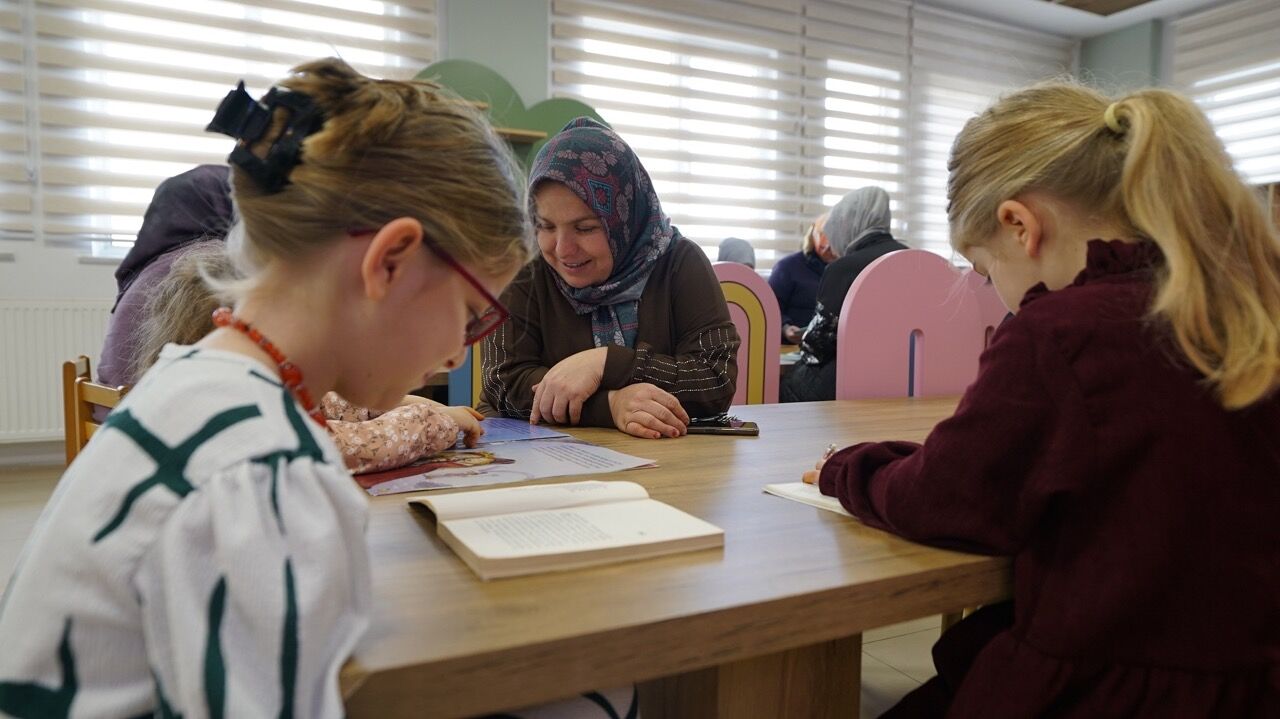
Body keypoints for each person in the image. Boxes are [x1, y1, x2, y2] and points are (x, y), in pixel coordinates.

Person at [0, 58, 537, 717]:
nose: (459, 350)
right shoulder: (262, 469)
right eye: (470, 313)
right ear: (391, 261)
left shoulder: (193, 379)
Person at [806, 82, 1280, 717]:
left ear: (1019, 225)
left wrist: (846, 467)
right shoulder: (1243, 308)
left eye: (984, 271)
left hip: (1111, 688)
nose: (992, 290)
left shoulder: (1057, 333)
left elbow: (942, 498)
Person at [130, 240, 485, 475]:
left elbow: (328, 403)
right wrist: (438, 420)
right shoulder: (247, 421)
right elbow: (364, 444)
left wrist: (403, 402)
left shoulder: (201, 377)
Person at [481, 117, 739, 440]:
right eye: (545, 226)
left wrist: (607, 363)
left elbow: (715, 380)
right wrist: (611, 405)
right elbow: (503, 384)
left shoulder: (679, 262)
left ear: (624, 218)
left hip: (660, 456)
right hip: (531, 453)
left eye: (585, 228)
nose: (562, 249)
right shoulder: (525, 268)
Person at [780, 187, 906, 403]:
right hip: (906, 379)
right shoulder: (915, 260)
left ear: (847, 223)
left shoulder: (843, 268)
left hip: (847, 384)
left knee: (784, 385)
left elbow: (817, 346)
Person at [769, 211, 834, 344]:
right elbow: (770, 307)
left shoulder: (845, 271)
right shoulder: (787, 267)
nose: (829, 249)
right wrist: (785, 327)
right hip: (790, 346)